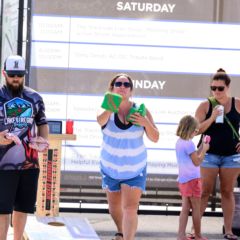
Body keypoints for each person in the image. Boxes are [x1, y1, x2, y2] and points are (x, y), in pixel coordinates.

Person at [97, 73, 159, 240]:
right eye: (118, 84)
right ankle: (121, 230)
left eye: (126, 85)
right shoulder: (106, 108)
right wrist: (111, 104)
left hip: (134, 168)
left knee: (130, 208)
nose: (122, 87)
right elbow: (99, 120)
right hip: (110, 167)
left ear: (131, 91)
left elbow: (155, 137)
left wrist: (145, 122)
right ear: (112, 88)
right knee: (114, 208)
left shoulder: (141, 110)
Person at [0, 55, 49, 240]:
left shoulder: (35, 97)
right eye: (12, 74)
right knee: (2, 210)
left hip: (30, 163)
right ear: (4, 73)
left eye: (19, 75)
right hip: (2, 165)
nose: (15, 79)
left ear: (24, 75)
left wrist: (43, 140)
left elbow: (42, 123)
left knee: (22, 208)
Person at [194, 68, 240, 240]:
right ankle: (195, 231)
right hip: (208, 154)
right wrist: (212, 117)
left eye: (220, 88)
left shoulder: (237, 103)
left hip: (231, 156)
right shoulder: (205, 105)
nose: (216, 91)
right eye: (213, 88)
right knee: (204, 192)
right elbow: (196, 129)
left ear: (227, 87)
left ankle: (229, 231)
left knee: (227, 192)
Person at [176, 115, 209, 240]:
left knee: (185, 208)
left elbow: (193, 155)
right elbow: (197, 162)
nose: (196, 132)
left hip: (183, 180)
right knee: (196, 208)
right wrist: (205, 150)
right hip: (193, 180)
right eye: (196, 130)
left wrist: (202, 146)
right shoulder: (189, 144)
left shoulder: (180, 142)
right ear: (190, 129)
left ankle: (181, 235)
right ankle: (198, 235)